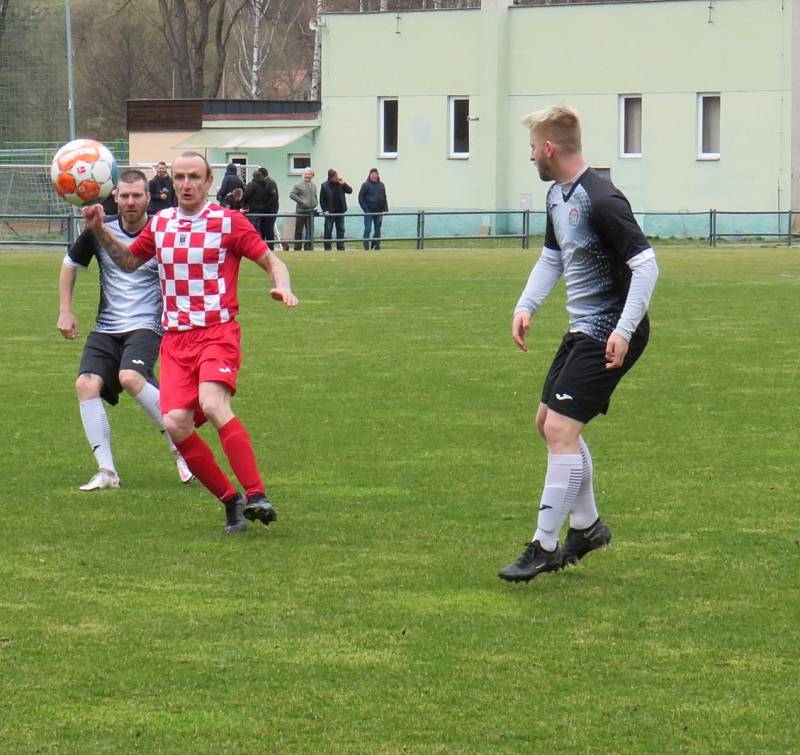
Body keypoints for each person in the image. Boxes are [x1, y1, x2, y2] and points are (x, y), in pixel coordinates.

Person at [80, 152, 299, 535]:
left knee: (214, 404)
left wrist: (282, 286)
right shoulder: (162, 223)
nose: (185, 184)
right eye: (179, 177)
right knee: (175, 423)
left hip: (217, 332)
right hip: (175, 341)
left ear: (209, 181)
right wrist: (100, 228)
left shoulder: (228, 222)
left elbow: (271, 261)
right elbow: (130, 262)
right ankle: (232, 503)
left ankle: (257, 492)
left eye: (194, 176)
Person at [498, 106, 659, 583]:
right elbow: (553, 257)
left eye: (532, 148)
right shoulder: (557, 195)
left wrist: (623, 331)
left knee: (562, 431)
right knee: (547, 422)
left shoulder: (601, 198)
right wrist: (526, 305)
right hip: (584, 327)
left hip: (612, 328)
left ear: (550, 148)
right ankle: (586, 527)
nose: (530, 157)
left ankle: (543, 545)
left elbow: (647, 265)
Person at [57, 168, 193, 491]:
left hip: (147, 325)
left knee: (131, 378)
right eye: (125, 195)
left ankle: (183, 450)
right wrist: (65, 310)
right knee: (85, 385)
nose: (130, 202)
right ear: (114, 196)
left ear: (149, 198)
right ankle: (107, 473)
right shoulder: (99, 230)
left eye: (137, 196)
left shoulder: (162, 230)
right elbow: (69, 264)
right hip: (106, 327)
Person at [243, 167, 279, 246]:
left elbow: (274, 197)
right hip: (264, 209)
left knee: (268, 229)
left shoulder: (270, 183)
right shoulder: (263, 183)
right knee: (263, 229)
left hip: (270, 210)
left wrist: (266, 206)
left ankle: (270, 246)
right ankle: (264, 246)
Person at [319, 169, 353, 251]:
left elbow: (350, 191)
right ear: (330, 178)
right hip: (330, 212)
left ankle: (340, 247)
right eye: (335, 177)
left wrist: (344, 184)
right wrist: (325, 210)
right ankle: (327, 248)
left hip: (340, 211)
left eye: (336, 176)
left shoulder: (340, 184)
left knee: (341, 229)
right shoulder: (324, 186)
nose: (336, 178)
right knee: (328, 230)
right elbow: (322, 200)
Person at [358, 168, 388, 250]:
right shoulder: (365, 185)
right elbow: (360, 198)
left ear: (378, 175)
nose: (374, 176)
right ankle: (366, 246)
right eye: (372, 174)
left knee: (377, 230)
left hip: (379, 211)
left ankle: (377, 246)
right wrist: (366, 210)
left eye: (376, 174)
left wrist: (384, 210)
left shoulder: (381, 185)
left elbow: (384, 197)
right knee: (368, 229)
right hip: (369, 212)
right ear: (370, 175)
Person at [289, 168, 318, 251]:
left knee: (310, 230)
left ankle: (308, 247)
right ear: (303, 175)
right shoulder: (298, 185)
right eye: (306, 174)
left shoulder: (313, 185)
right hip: (301, 211)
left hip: (311, 211)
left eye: (309, 174)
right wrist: (302, 202)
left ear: (312, 175)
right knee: (299, 230)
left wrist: (316, 202)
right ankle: (297, 247)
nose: (307, 176)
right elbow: (291, 194)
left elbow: (315, 196)